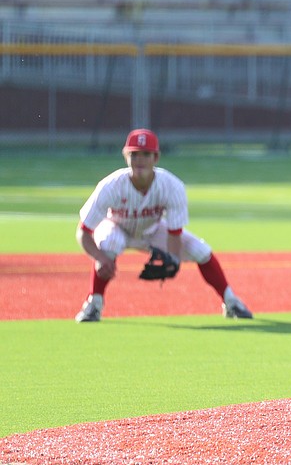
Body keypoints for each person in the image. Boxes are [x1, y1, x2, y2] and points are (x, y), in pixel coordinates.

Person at [74, 128, 253, 323]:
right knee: (109, 244)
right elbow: (83, 232)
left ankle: (231, 301)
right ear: (126, 156)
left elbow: (175, 231)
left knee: (201, 250)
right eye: (134, 154)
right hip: (116, 226)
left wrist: (174, 261)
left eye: (146, 154)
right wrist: (100, 258)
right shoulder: (110, 186)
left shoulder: (172, 186)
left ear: (156, 158)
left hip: (152, 231)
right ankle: (94, 304)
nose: (140, 160)